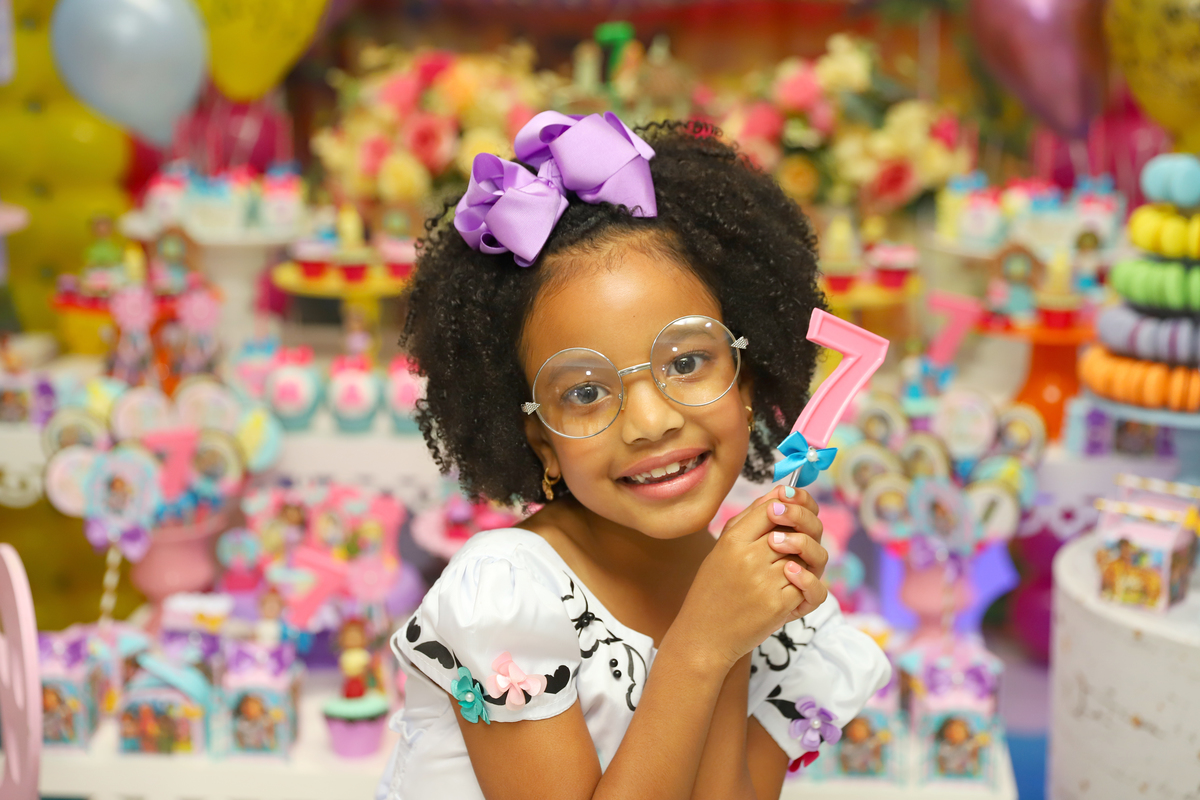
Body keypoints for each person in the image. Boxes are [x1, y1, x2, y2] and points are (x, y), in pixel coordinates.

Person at [378, 114, 890, 800]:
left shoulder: (761, 603)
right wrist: (703, 642)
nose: (650, 422)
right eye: (586, 391)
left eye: (686, 360)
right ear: (541, 443)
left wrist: (734, 633)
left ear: (748, 376)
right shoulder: (505, 596)